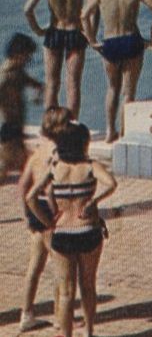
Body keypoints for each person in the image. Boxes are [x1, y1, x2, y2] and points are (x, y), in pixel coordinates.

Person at [25, 121, 117, 337]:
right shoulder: (90, 166)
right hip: (88, 231)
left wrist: (47, 222)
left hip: (63, 234)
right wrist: (94, 201)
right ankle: (89, 332)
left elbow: (30, 197)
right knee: (88, 286)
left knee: (66, 292)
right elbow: (112, 183)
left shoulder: (55, 168)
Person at [82, 0, 152, 143]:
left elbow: (84, 15)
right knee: (128, 91)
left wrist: (92, 40)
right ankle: (124, 131)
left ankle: (110, 131)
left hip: (109, 43)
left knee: (112, 88)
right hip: (130, 42)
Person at [17, 103, 71, 336]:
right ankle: (60, 318)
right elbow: (50, 190)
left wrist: (27, 215)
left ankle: (26, 314)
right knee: (61, 267)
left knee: (35, 266)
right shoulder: (56, 153)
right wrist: (56, 215)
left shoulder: (38, 150)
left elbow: (22, 185)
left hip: (33, 208)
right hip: (48, 211)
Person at [23, 0, 94, 117]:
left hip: (54, 31)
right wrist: (91, 34)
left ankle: (50, 126)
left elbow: (28, 9)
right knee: (73, 84)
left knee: (52, 83)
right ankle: (71, 126)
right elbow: (93, 7)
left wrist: (38, 30)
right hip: (75, 31)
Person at [1, 35, 42, 181]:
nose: (28, 60)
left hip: (16, 123)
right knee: (11, 161)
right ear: (18, 54)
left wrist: (38, 93)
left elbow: (34, 84)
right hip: (8, 124)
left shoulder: (18, 71)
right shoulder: (5, 76)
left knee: (17, 160)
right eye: (27, 56)